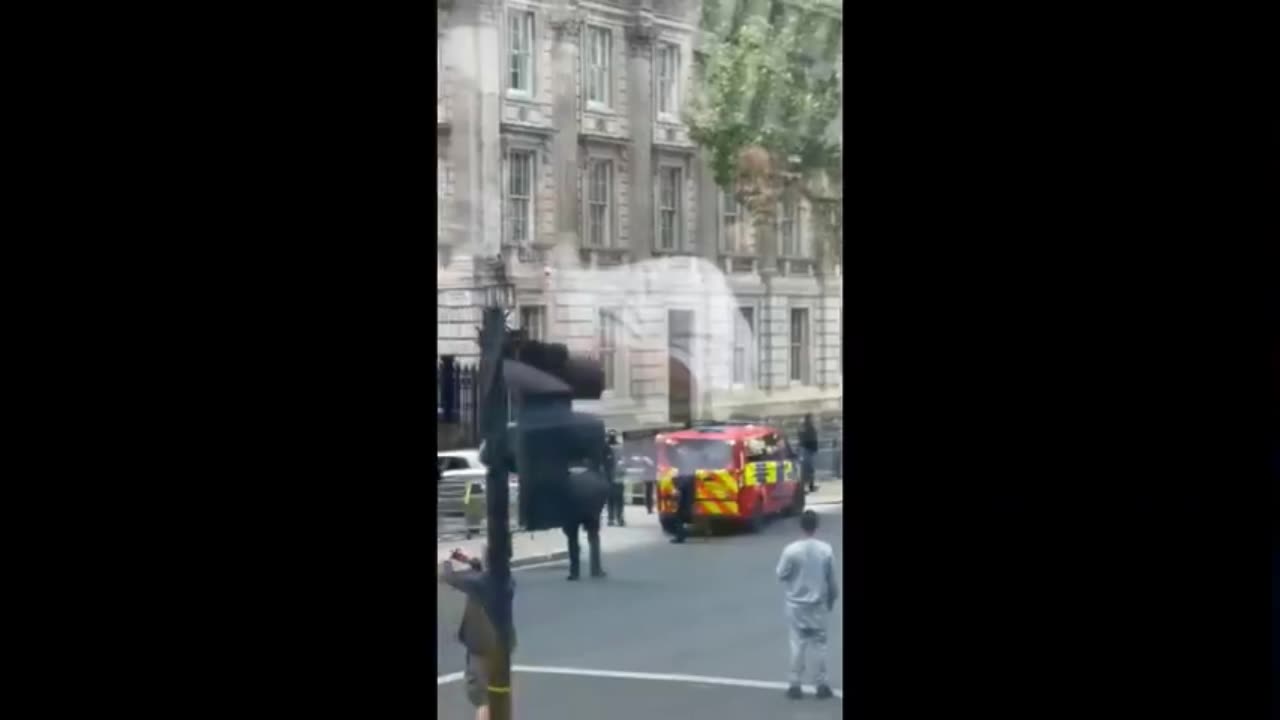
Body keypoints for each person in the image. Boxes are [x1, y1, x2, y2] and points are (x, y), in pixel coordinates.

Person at [439, 546, 516, 720]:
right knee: (495, 693)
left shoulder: (481, 583)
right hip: (501, 644)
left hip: (483, 646)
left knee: (482, 697)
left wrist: (446, 561)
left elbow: (450, 578)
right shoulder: (506, 579)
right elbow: (482, 574)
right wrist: (468, 561)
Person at [776, 510, 837, 700]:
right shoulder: (826, 550)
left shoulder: (791, 550)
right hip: (818, 604)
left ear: (801, 526)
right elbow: (832, 581)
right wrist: (832, 600)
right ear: (816, 526)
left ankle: (795, 684)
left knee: (797, 644)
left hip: (796, 605)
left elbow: (781, 574)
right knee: (820, 645)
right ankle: (821, 685)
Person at [604, 429, 625, 527]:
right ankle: (618, 518)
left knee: (611, 499)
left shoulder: (604, 447)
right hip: (617, 476)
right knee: (618, 499)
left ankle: (612, 518)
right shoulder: (620, 447)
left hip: (610, 476)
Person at [799, 414, 819, 492]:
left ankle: (810, 486)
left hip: (807, 450)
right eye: (812, 418)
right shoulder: (807, 427)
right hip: (807, 450)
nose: (813, 419)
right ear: (808, 419)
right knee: (807, 469)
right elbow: (809, 439)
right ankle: (805, 487)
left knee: (809, 470)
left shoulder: (806, 427)